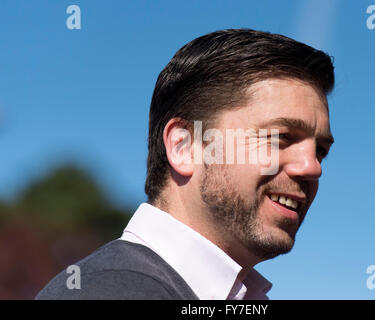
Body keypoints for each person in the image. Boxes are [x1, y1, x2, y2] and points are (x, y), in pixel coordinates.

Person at [36, 28, 335, 300]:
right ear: (185, 146)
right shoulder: (108, 292)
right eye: (281, 137)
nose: (312, 167)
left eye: (320, 150)